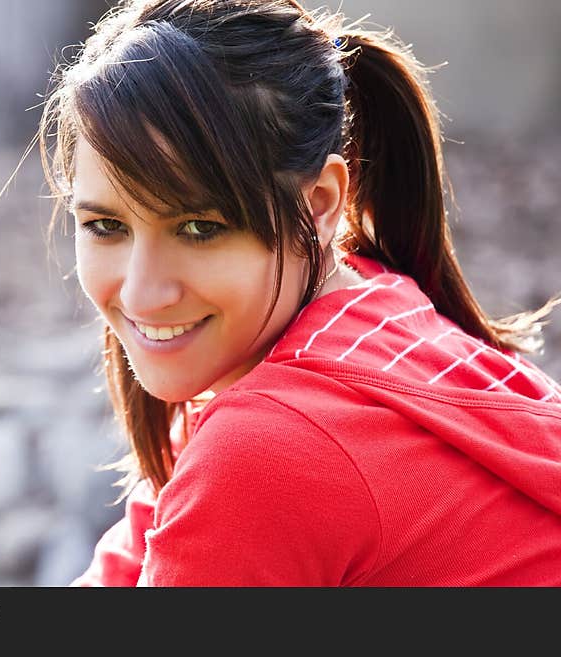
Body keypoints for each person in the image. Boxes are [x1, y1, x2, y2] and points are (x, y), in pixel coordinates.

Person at [35, 0, 561, 585]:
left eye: (200, 229)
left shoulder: (267, 453)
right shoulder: (378, 307)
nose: (143, 293)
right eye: (106, 227)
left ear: (320, 205)